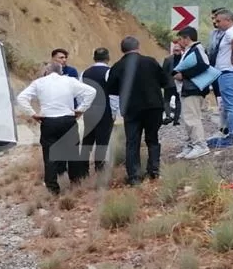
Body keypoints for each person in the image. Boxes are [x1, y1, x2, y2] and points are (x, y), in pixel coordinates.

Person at [16, 62, 96, 195]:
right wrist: (81, 109)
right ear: (61, 71)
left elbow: (21, 97)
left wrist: (33, 113)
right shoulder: (69, 81)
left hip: (48, 121)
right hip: (68, 120)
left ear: (46, 71)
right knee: (72, 153)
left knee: (49, 156)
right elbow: (91, 91)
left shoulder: (39, 83)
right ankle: (75, 184)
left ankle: (52, 188)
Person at [106, 36, 168, 185]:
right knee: (152, 138)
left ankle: (134, 176)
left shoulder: (118, 66)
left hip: (131, 108)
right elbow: (164, 81)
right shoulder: (150, 62)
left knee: (132, 141)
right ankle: (154, 171)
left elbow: (111, 88)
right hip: (153, 106)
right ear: (138, 46)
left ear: (122, 49)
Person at [172, 27, 213, 159]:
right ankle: (191, 144)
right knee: (187, 118)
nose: (179, 42)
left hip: (193, 89)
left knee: (192, 118)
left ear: (187, 38)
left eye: (180, 39)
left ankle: (200, 145)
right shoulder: (189, 51)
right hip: (188, 88)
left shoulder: (197, 49)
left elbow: (203, 65)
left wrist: (184, 75)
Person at [80, 47, 120, 173]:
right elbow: (113, 94)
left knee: (88, 139)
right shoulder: (109, 72)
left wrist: (83, 108)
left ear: (94, 58)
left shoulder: (85, 73)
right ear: (108, 58)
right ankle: (99, 168)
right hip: (105, 110)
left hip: (89, 110)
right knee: (102, 140)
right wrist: (114, 112)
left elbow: (81, 93)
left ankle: (83, 168)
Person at [207, 8, 233, 148]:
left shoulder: (231, 31)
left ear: (228, 20)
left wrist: (232, 56)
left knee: (231, 104)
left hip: (228, 72)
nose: (217, 23)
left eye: (219, 21)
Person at [206, 8, 228, 136]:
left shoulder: (231, 32)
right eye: (213, 19)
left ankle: (230, 126)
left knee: (229, 99)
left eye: (216, 18)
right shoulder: (213, 34)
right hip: (214, 71)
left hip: (227, 70)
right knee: (219, 99)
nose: (214, 21)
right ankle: (223, 125)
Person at [161, 40, 182, 125]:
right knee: (178, 101)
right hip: (178, 84)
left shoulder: (167, 59)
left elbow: (163, 71)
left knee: (167, 100)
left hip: (169, 84)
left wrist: (163, 82)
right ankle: (176, 120)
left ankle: (168, 116)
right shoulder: (183, 59)